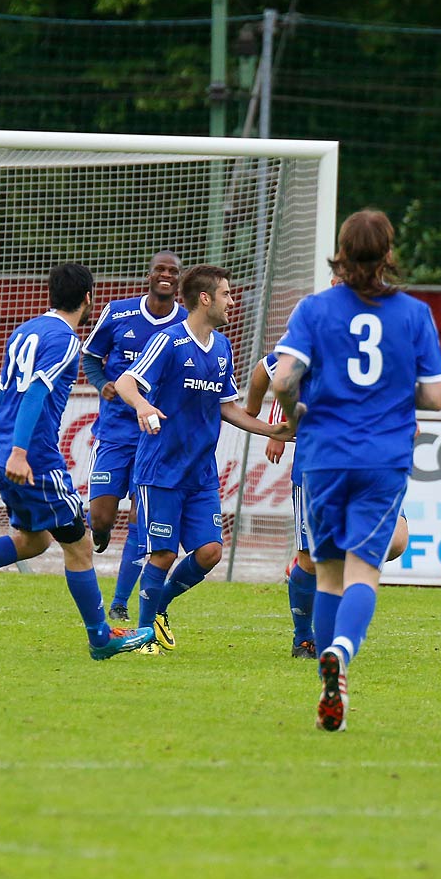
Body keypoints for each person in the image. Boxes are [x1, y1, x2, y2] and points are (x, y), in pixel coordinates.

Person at [0, 263, 155, 660]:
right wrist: (22, 452)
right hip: (33, 458)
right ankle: (101, 638)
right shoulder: (64, 339)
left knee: (34, 540)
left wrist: (11, 448)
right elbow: (34, 394)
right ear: (87, 298)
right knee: (78, 544)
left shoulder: (24, 330)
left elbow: (10, 390)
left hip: (3, 448)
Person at [272, 210, 441, 731]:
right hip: (382, 457)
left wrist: (300, 405)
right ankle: (342, 654)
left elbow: (282, 380)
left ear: (341, 253)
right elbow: (436, 396)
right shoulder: (414, 314)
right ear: (389, 253)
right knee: (364, 570)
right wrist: (396, 391)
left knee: (327, 573)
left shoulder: (314, 309)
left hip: (324, 455)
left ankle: (328, 675)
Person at [115, 264, 293, 653]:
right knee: (163, 553)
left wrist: (271, 430)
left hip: (200, 472)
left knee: (210, 551)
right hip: (161, 468)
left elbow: (226, 407)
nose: (233, 301)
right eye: (227, 294)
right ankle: (146, 639)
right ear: (205, 298)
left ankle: (158, 606)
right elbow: (127, 382)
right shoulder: (168, 341)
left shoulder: (223, 348)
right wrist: (144, 406)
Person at [246, 349, 411, 660]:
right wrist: (272, 422)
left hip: (374, 464)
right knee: (311, 562)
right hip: (319, 466)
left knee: (396, 541)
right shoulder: (315, 329)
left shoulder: (386, 334)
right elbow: (269, 371)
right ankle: (304, 637)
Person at [80, 250, 183, 623]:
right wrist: (103, 384)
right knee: (101, 517)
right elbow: (90, 356)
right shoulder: (118, 312)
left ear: (180, 280)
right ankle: (99, 529)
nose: (166, 275)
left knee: (142, 521)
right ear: (149, 275)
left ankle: (121, 602)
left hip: (155, 438)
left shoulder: (186, 324)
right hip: (114, 433)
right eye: (160, 269)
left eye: (173, 271)